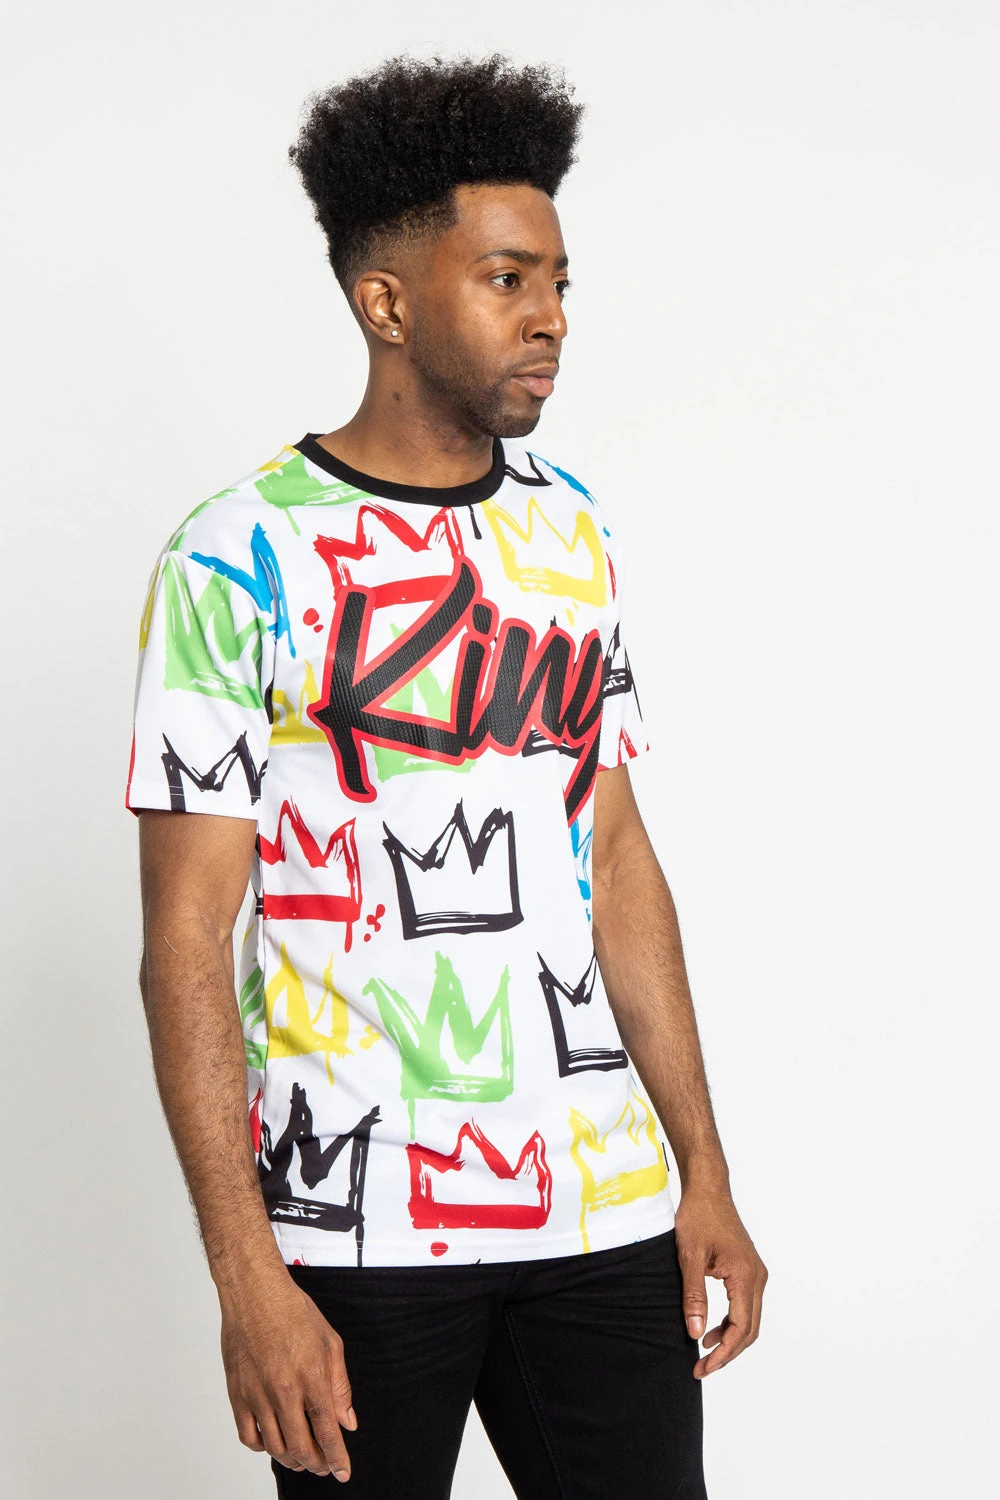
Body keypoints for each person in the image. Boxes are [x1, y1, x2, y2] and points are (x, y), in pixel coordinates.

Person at [125, 52, 767, 1498]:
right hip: (355, 1233)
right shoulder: (237, 554)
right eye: (506, 279)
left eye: (560, 283)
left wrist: (705, 1173)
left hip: (600, 1208)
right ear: (389, 303)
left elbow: (616, 856)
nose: (550, 318)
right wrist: (248, 1277)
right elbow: (185, 937)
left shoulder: (570, 531)